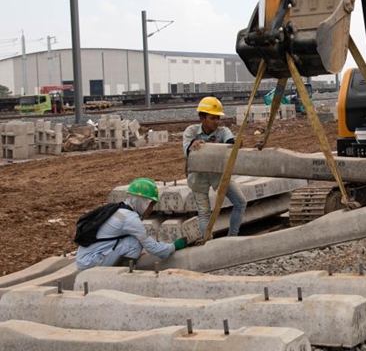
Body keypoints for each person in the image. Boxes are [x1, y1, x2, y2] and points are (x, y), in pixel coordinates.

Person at [76, 178, 186, 271]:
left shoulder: (119, 209)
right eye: (150, 204)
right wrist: (174, 246)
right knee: (135, 243)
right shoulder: (130, 219)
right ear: (142, 201)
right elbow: (153, 248)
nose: (151, 209)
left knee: (134, 239)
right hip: (90, 262)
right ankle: (122, 274)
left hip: (85, 257)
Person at [183, 96, 247, 238]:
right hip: (198, 177)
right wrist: (193, 144)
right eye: (213, 118)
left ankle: (232, 238)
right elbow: (187, 151)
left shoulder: (223, 131)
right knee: (204, 212)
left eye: (218, 118)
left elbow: (231, 144)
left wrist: (237, 144)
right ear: (202, 118)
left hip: (219, 174)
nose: (216, 122)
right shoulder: (191, 131)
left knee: (240, 202)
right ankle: (208, 243)